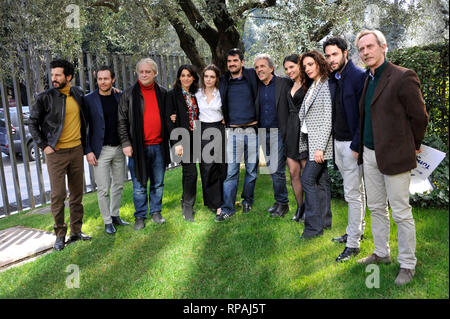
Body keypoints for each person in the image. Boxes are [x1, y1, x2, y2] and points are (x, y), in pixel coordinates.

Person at [354, 30, 428, 286]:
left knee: (401, 212)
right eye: (361, 49)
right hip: (370, 154)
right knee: (376, 208)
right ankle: (382, 253)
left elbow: (420, 117)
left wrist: (413, 144)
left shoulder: (402, 76)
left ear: (383, 47)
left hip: (395, 156)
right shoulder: (368, 78)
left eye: (369, 46)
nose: (365, 52)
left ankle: (408, 264)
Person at [29, 59, 91, 251]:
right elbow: (32, 123)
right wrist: (44, 146)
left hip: (76, 151)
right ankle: (59, 235)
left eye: (58, 75)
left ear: (68, 77)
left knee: (77, 194)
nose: (53, 79)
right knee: (58, 195)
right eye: (52, 75)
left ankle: (76, 231)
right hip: (56, 153)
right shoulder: (44, 97)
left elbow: (94, 102)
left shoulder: (78, 93)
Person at [323, 36, 367, 262]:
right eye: (328, 55)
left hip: (352, 145)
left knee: (352, 194)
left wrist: (357, 145)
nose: (331, 59)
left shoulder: (359, 77)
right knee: (355, 192)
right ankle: (355, 230)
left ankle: (353, 244)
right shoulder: (333, 78)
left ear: (345, 53)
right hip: (337, 143)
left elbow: (364, 116)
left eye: (334, 54)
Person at [117, 58, 170, 230]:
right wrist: (126, 143)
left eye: (148, 71)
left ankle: (156, 211)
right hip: (137, 147)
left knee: (158, 182)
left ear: (155, 73)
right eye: (142, 71)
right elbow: (122, 121)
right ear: (137, 73)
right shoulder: (128, 94)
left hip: (159, 146)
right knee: (139, 185)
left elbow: (170, 116)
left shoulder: (163, 93)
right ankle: (140, 216)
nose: (144, 74)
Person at [84, 65, 130, 235]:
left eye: (106, 79)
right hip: (99, 151)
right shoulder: (88, 100)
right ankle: (107, 221)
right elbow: (84, 127)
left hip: (118, 148)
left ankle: (115, 215)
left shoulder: (119, 96)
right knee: (103, 189)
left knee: (118, 185)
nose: (103, 82)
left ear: (113, 79)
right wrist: (88, 150)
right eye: (100, 79)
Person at [216, 48, 259, 222]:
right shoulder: (224, 80)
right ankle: (228, 208)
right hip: (233, 131)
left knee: (252, 170)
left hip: (252, 130)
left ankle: (247, 200)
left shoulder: (252, 76)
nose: (232, 64)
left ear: (242, 62)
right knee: (231, 172)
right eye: (229, 61)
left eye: (235, 61)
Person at [298, 51, 333, 239]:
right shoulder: (313, 85)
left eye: (310, 64)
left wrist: (319, 147)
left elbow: (328, 119)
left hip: (320, 145)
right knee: (323, 182)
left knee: (307, 180)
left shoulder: (325, 85)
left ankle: (313, 228)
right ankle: (325, 221)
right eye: (305, 66)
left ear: (319, 63)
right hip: (312, 142)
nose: (307, 68)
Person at [253, 53, 290, 218]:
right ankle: (278, 201)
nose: (259, 70)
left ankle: (283, 204)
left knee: (277, 170)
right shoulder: (257, 86)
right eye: (257, 67)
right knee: (270, 169)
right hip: (262, 132)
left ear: (271, 68)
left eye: (262, 66)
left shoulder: (283, 83)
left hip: (278, 132)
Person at [167, 64, 200, 222]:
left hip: (196, 137)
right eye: (182, 75)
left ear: (193, 77)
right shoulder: (173, 95)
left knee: (189, 173)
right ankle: (188, 209)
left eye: (188, 75)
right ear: (179, 77)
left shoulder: (195, 94)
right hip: (182, 139)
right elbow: (169, 121)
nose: (185, 78)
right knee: (191, 173)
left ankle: (185, 202)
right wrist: (177, 143)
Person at [195, 64, 227, 217]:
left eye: (212, 77)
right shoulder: (196, 94)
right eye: (206, 76)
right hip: (203, 130)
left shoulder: (221, 93)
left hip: (219, 129)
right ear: (203, 77)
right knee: (207, 168)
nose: (209, 79)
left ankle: (222, 201)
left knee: (221, 166)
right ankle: (211, 201)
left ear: (217, 79)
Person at [283, 54, 311, 222]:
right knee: (294, 173)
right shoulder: (289, 85)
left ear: (299, 65)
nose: (288, 71)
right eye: (286, 69)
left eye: (291, 67)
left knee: (307, 174)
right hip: (291, 131)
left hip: (304, 132)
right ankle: (300, 208)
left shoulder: (310, 84)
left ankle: (310, 208)